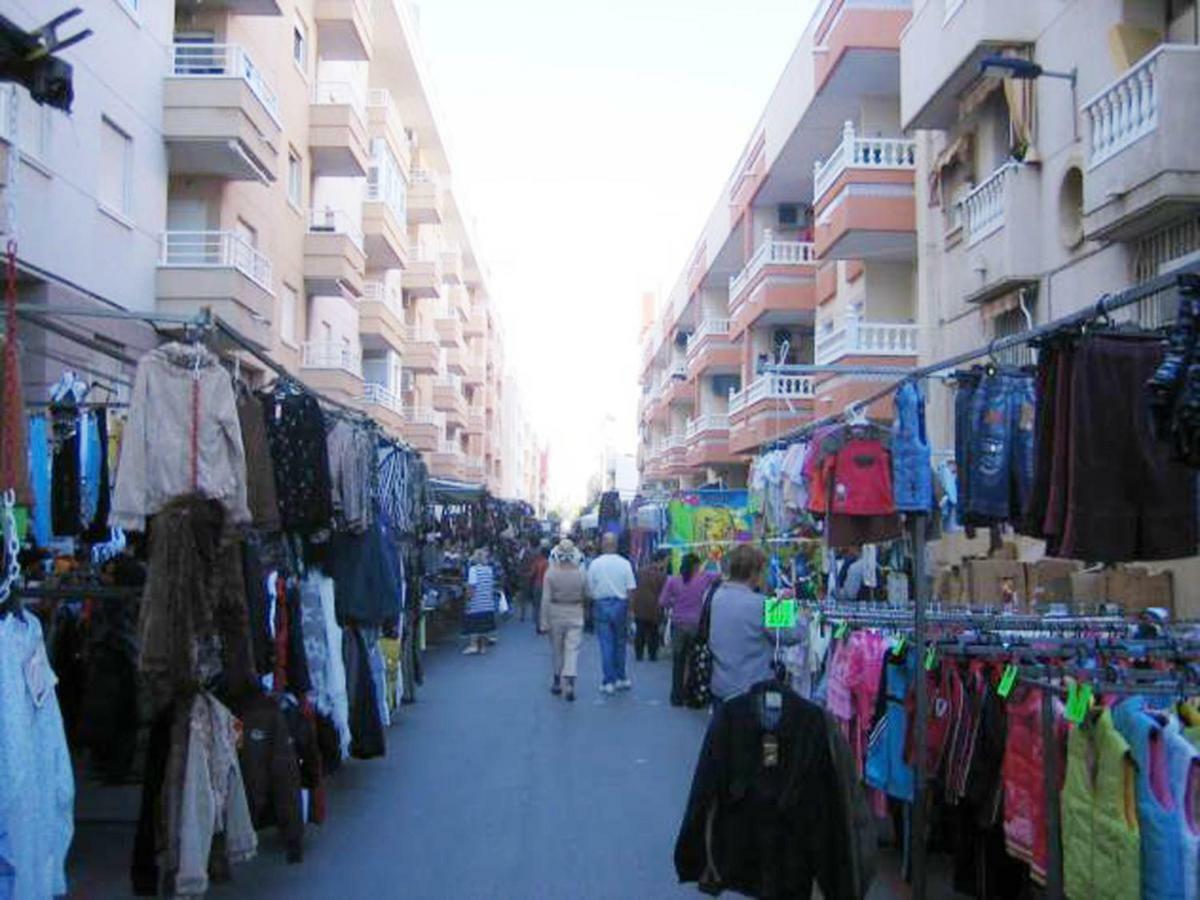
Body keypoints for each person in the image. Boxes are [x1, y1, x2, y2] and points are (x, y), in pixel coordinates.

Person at [708, 544, 803, 704]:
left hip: (722, 686)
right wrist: (796, 611)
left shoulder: (717, 596)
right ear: (753, 573)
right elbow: (792, 635)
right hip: (752, 691)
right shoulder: (760, 604)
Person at [659, 552, 717, 706]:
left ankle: (676, 697)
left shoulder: (673, 581)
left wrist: (675, 604)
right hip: (696, 626)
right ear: (696, 566)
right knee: (694, 661)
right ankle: (691, 696)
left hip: (678, 625)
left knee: (678, 662)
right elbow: (721, 577)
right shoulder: (704, 578)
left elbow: (662, 601)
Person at [585, 532, 637, 694]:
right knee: (620, 643)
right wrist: (630, 610)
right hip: (620, 604)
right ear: (615, 545)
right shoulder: (625, 564)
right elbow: (630, 589)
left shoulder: (595, 564)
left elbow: (588, 590)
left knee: (606, 644)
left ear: (602, 544)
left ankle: (609, 681)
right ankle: (621, 677)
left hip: (601, 604)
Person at [539, 539, 587, 701]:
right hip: (575, 612)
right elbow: (587, 593)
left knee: (557, 649)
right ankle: (570, 683)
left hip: (555, 612)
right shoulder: (580, 573)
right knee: (572, 649)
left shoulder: (551, 573)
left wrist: (543, 621)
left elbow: (545, 599)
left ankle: (557, 681)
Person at [631, 550, 669, 662]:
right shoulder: (661, 575)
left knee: (640, 631)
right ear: (661, 561)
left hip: (640, 606)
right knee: (653, 632)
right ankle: (652, 654)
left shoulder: (640, 571)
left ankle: (639, 654)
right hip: (654, 607)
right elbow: (664, 592)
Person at [462, 548, 497, 655]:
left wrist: (468, 600)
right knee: (484, 626)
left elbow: (472, 587)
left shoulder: (473, 570)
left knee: (474, 624)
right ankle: (482, 647)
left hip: (477, 602)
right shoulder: (489, 570)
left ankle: (473, 645)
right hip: (487, 602)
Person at [530, 543, 549, 633]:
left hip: (537, 585)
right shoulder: (547, 563)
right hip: (545, 586)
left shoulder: (537, 562)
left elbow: (532, 574)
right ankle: (544, 626)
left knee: (537, 606)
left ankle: (538, 626)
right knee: (544, 606)